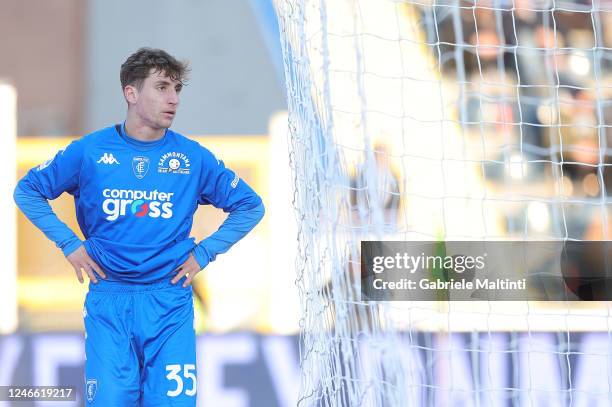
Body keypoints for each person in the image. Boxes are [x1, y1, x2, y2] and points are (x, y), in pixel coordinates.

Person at [13, 48, 265, 406]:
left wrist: (204, 253)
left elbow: (250, 206)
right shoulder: (89, 151)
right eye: (162, 87)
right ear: (130, 93)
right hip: (109, 299)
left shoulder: (192, 158)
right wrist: (68, 243)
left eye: (177, 89)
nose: (173, 99)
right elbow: (28, 190)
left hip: (170, 301)